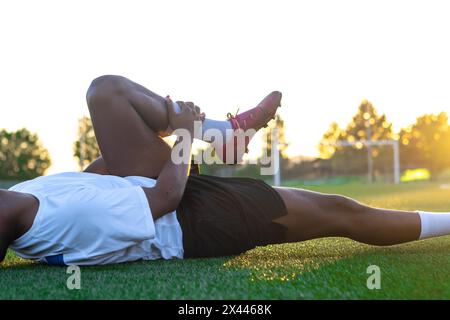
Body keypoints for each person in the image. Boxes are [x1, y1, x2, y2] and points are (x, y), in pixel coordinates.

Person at [1, 75, 449, 266]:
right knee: (340, 212)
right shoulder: (49, 222)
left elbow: (98, 176)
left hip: (153, 185)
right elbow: (164, 200)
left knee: (105, 92)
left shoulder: (26, 193)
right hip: (194, 221)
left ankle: (225, 133)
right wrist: (180, 136)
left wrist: (145, 142)